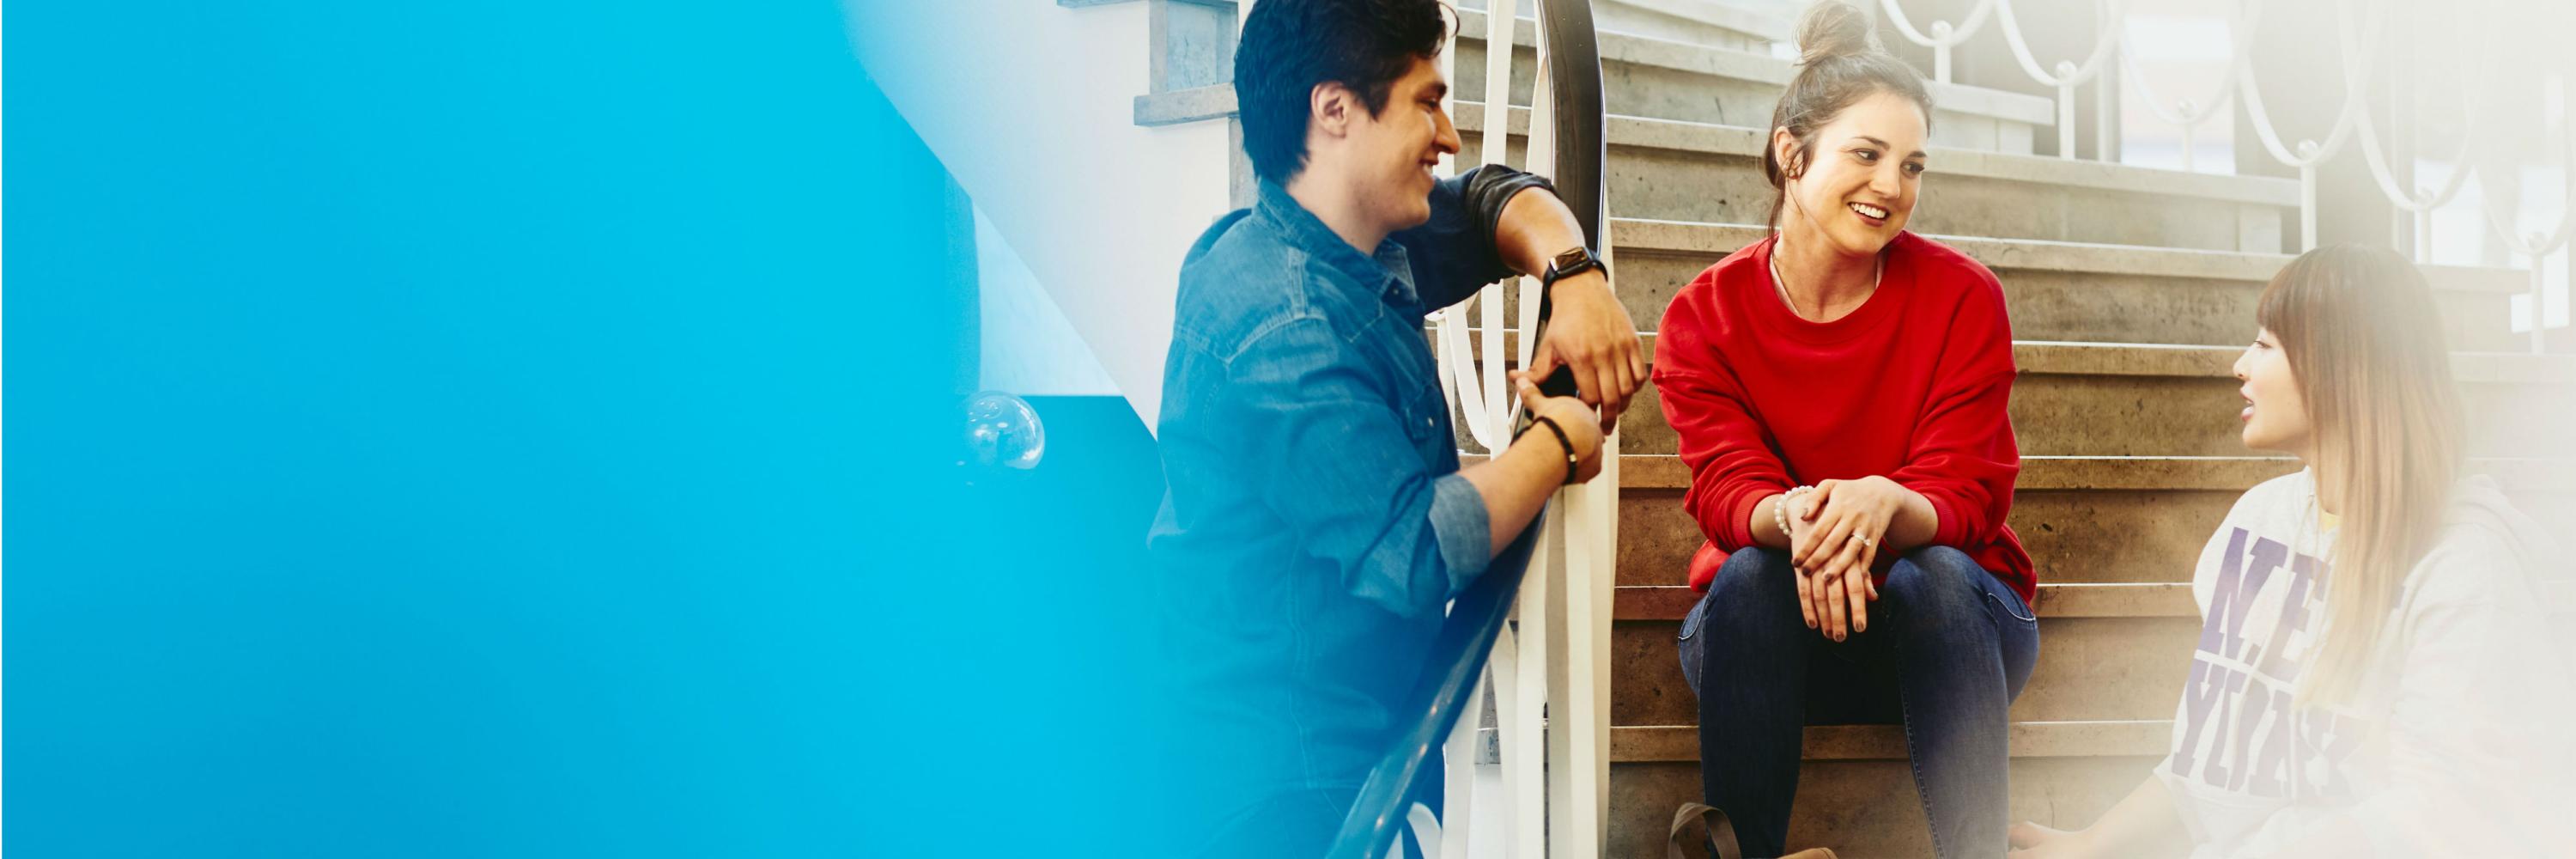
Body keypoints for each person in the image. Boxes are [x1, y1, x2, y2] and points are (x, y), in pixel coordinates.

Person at [1147, 0, 1648, 854]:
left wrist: (1575, 276)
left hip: (1360, 741)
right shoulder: (1280, 325)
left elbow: (1496, 200)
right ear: (1335, 110)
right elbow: (1413, 548)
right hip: (1285, 791)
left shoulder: (1350, 239)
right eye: (1427, 101)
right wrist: (1557, 439)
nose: (1449, 135)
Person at [2005, 247, 2576, 858]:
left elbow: (2436, 816)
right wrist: (2092, 843)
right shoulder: (2262, 523)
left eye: (2266, 345)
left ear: (2341, 368)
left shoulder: (2467, 568)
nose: (2239, 365)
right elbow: (2220, 763)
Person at [1650, 3, 2035, 856]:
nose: (1891, 186)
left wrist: (1885, 501)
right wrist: (1804, 522)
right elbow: (1726, 489)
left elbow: (1969, 492)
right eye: (1865, 154)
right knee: (1749, 573)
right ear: (1792, 154)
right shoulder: (1703, 316)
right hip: (1773, 636)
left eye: (1912, 165)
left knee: (1932, 573)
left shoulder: (1963, 298)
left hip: (1949, 630)